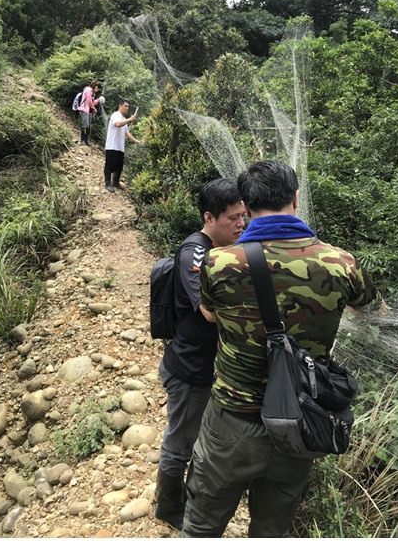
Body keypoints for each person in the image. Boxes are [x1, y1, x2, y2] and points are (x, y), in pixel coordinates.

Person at [181, 160, 382, 537]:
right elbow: (376, 314)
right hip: (299, 425)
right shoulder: (341, 263)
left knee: (202, 525)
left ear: (246, 204)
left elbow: (210, 312)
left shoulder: (218, 262)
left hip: (231, 421)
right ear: (295, 197)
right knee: (273, 529)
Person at [154, 178, 246, 531]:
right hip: (190, 370)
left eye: (244, 216)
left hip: (206, 366)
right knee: (180, 442)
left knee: (196, 439)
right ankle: (168, 506)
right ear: (209, 217)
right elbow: (209, 311)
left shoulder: (225, 249)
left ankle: (185, 497)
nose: (241, 224)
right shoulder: (195, 251)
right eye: (233, 218)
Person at [104, 99, 141, 192]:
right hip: (112, 146)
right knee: (109, 166)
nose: (127, 108)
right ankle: (107, 183)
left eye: (128, 106)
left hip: (120, 147)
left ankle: (115, 182)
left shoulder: (124, 119)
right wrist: (130, 119)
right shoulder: (115, 115)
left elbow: (126, 132)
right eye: (126, 106)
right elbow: (118, 124)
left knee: (119, 167)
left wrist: (136, 141)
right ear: (120, 105)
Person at [77, 80, 99, 145]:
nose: (98, 90)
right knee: (85, 125)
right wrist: (94, 108)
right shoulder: (88, 90)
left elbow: (92, 102)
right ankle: (82, 140)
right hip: (83, 110)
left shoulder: (93, 93)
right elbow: (89, 101)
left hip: (89, 111)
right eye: (98, 88)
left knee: (89, 126)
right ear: (95, 87)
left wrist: (98, 100)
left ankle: (86, 141)